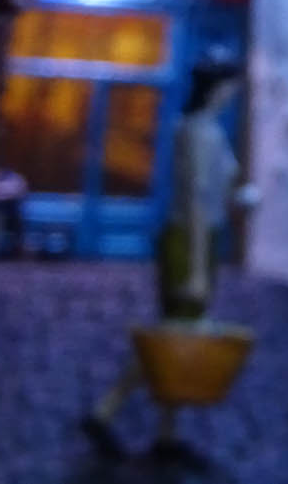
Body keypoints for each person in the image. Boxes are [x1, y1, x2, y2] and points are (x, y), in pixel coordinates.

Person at [83, 51, 248, 458]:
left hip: (199, 236)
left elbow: (212, 193)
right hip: (189, 240)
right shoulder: (200, 133)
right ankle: (107, 409)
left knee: (179, 333)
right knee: (175, 332)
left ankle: (165, 430)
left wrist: (238, 201)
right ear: (218, 88)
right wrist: (196, 268)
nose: (233, 93)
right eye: (230, 86)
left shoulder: (199, 129)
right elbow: (194, 201)